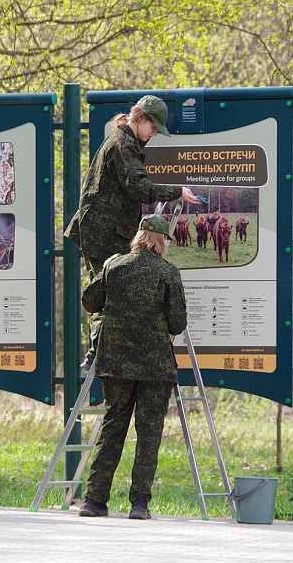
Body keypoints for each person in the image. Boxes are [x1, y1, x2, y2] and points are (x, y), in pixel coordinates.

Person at [64, 95, 199, 367]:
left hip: (108, 231)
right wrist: (177, 191)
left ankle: (103, 353)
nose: (154, 133)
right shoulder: (122, 145)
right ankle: (97, 355)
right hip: (102, 232)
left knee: (113, 288)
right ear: (140, 118)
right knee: (107, 289)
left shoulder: (126, 141)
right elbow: (138, 188)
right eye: (153, 127)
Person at [78, 214, 188, 520]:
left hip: (116, 364)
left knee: (112, 429)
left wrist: (104, 269)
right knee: (149, 433)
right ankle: (139, 504)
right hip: (156, 367)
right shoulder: (168, 272)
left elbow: (90, 301)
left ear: (138, 238)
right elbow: (178, 323)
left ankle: (93, 501)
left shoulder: (114, 266)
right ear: (161, 241)